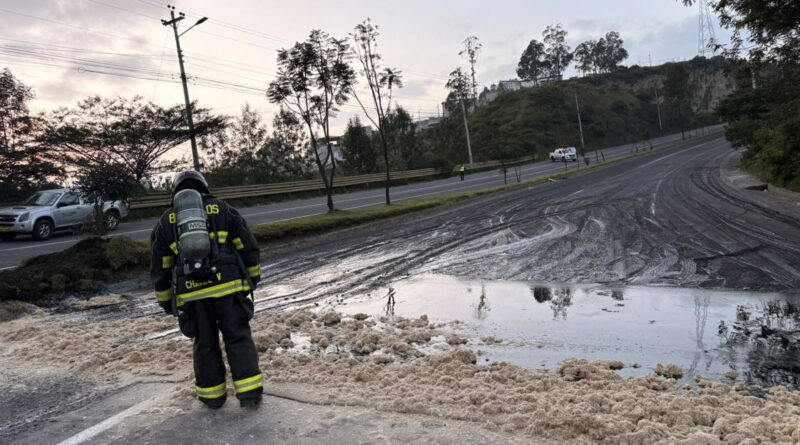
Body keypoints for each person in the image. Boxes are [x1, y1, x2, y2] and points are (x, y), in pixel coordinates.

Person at [150, 171, 263, 409]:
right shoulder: (223, 209)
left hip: (194, 297)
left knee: (205, 344)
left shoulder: (167, 220)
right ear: (204, 187)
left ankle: (212, 398)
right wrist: (253, 278)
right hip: (229, 290)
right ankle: (250, 393)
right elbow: (246, 246)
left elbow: (161, 266)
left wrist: (165, 301)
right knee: (238, 338)